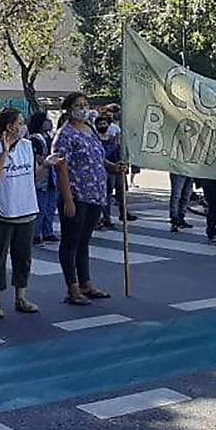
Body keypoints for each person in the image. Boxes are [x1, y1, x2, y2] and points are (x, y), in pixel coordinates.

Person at [53, 92, 128, 305]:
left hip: (95, 193)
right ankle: (72, 287)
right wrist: (68, 199)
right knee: (71, 242)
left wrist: (114, 167)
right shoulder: (65, 135)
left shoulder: (90, 129)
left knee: (84, 241)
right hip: (77, 194)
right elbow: (61, 167)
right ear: (68, 109)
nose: (83, 108)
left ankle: (86, 282)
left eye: (85, 104)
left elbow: (97, 158)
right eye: (78, 105)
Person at [0, 108, 48, 319]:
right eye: (20, 123)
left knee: (23, 257)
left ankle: (21, 297)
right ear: (10, 126)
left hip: (25, 209)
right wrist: (5, 152)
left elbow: (33, 177)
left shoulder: (28, 146)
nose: (23, 126)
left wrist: (46, 164)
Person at [28, 111, 58, 245]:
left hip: (52, 175)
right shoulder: (34, 139)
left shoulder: (49, 136)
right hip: (42, 175)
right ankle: (35, 233)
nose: (49, 122)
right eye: (46, 120)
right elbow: (36, 158)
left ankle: (48, 231)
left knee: (50, 206)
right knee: (40, 206)